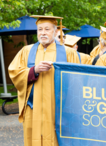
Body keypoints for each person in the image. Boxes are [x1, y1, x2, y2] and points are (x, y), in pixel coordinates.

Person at [8, 15, 80, 146]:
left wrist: (69, 114)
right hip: (32, 108)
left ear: (55, 31)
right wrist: (33, 70)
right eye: (40, 29)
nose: (43, 33)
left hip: (56, 111)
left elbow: (77, 84)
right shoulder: (26, 51)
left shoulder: (69, 53)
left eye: (47, 29)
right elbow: (14, 72)